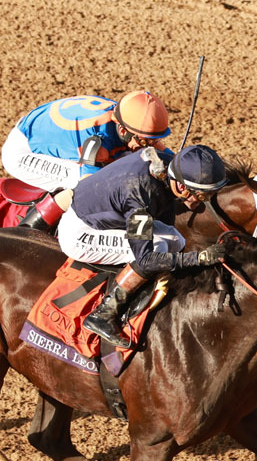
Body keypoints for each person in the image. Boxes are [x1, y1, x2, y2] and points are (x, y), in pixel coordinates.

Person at [58, 144, 229, 348]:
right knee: (157, 247)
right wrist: (198, 258)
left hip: (108, 215)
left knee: (177, 240)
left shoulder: (169, 165)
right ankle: (104, 314)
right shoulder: (140, 195)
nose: (204, 203)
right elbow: (146, 259)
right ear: (182, 187)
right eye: (202, 195)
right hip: (81, 233)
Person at [1, 91, 171, 232]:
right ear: (122, 129)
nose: (145, 146)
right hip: (23, 152)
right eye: (142, 141)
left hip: (46, 130)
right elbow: (89, 187)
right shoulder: (96, 138)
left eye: (152, 141)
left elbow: (159, 151)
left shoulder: (129, 120)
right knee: (81, 182)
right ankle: (28, 230)